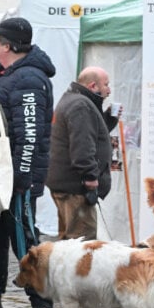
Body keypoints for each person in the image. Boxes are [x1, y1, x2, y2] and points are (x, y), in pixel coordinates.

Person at [0, 17, 56, 308]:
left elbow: (29, 133)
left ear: (8, 46)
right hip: (4, 176)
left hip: (17, 178)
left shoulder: (27, 79)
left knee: (24, 240)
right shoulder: (12, 75)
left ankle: (41, 300)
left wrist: (21, 179)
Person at [46, 66, 118, 240]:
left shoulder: (75, 100)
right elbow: (82, 144)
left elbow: (90, 134)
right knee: (82, 243)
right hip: (76, 188)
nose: (109, 90)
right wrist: (90, 176)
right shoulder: (80, 105)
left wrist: (108, 120)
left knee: (69, 241)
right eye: (106, 85)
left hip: (68, 185)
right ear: (93, 86)